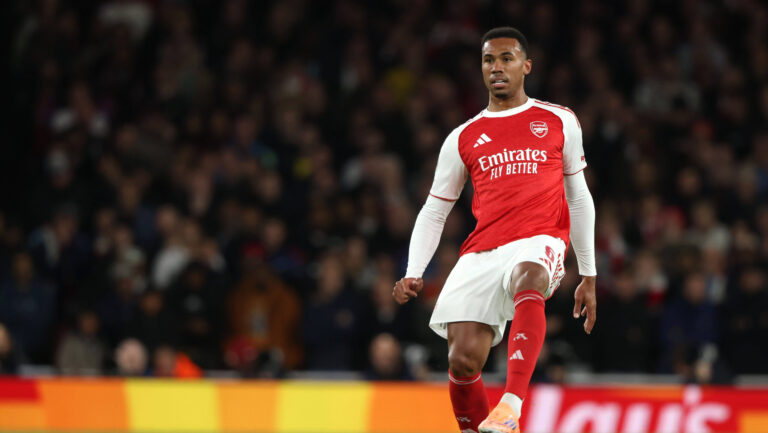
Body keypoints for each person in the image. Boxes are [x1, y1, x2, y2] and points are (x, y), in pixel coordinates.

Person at [393, 27, 597, 433]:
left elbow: (578, 196)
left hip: (540, 238)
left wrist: (588, 272)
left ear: (526, 66)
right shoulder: (462, 137)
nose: (497, 67)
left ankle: (511, 403)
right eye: (489, 60)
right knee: (462, 359)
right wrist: (414, 269)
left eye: (506, 58)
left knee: (531, 275)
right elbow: (435, 210)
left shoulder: (558, 120)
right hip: (483, 249)